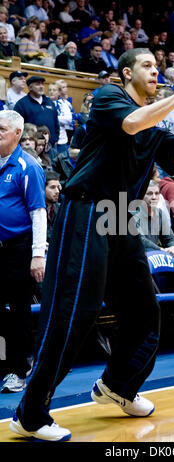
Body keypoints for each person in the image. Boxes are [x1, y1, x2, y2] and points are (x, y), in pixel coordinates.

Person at [11, 48, 174, 442]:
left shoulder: (155, 126)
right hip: (86, 210)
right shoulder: (108, 98)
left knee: (144, 311)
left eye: (158, 66)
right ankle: (30, 414)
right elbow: (133, 123)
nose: (157, 71)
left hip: (120, 216)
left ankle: (118, 385)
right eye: (148, 66)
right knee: (75, 313)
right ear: (126, 73)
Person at [0, 110, 46, 393]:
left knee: (19, 311)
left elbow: (38, 212)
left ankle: (20, 368)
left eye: (2, 129)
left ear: (17, 133)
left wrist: (37, 254)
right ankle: (5, 364)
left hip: (19, 249)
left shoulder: (28, 166)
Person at [134, 180, 174, 255]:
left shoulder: (160, 213)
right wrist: (160, 250)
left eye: (157, 193)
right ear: (141, 195)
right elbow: (140, 240)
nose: (154, 197)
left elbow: (171, 238)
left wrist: (173, 247)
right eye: (149, 194)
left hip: (156, 258)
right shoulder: (134, 214)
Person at [14, 76, 59, 148]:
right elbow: (17, 125)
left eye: (42, 84)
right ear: (30, 88)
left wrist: (56, 138)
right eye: (38, 84)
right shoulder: (22, 104)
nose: (41, 86)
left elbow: (56, 121)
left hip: (50, 144)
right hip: (32, 145)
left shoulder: (49, 102)